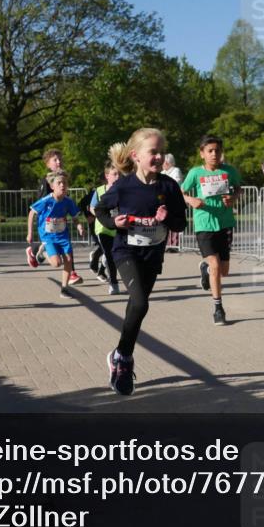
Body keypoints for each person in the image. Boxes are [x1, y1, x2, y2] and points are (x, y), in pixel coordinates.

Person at [94, 129, 187, 395]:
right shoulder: (124, 186)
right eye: (153, 152)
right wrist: (114, 222)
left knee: (136, 307)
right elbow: (100, 209)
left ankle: (118, 354)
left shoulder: (169, 187)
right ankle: (124, 359)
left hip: (152, 256)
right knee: (140, 302)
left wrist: (167, 218)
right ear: (136, 156)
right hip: (126, 252)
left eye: (161, 152)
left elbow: (180, 223)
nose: (159, 157)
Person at [181, 135, 244, 326]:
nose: (214, 154)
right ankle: (218, 309)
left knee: (224, 271)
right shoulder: (195, 173)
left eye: (217, 150)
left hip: (225, 223)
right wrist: (191, 200)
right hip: (204, 224)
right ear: (202, 153)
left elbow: (239, 188)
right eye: (210, 151)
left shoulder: (229, 171)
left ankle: (205, 269)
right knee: (216, 266)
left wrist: (233, 198)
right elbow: (180, 192)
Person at [27, 149, 83, 286]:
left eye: (60, 159)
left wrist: (77, 223)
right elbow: (37, 208)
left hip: (60, 225)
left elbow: (67, 203)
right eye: (55, 160)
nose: (59, 162)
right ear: (47, 164)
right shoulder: (45, 182)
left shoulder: (63, 179)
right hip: (47, 226)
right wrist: (32, 232)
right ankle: (38, 250)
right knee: (56, 260)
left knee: (66, 248)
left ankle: (70, 274)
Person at [89, 162, 122, 295]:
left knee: (116, 255)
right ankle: (114, 283)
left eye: (119, 174)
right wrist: (101, 215)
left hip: (118, 227)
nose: (118, 177)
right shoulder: (99, 191)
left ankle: (102, 263)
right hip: (103, 228)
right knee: (110, 255)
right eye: (115, 174)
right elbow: (92, 207)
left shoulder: (122, 190)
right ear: (107, 176)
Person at [162, 154, 184, 252]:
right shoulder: (163, 172)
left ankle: (174, 246)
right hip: (165, 200)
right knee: (166, 222)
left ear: (168, 162)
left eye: (164, 162)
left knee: (174, 222)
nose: (162, 164)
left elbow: (176, 183)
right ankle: (167, 244)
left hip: (175, 199)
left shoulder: (176, 170)